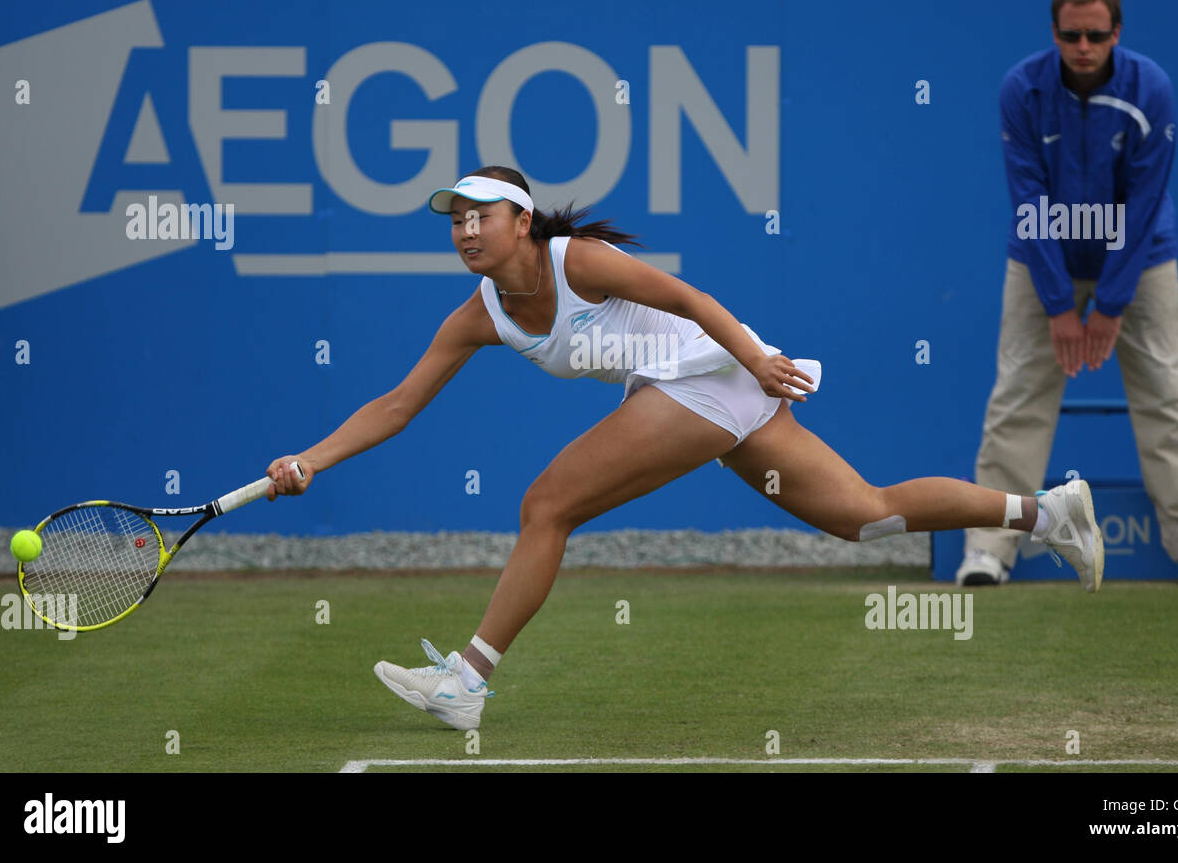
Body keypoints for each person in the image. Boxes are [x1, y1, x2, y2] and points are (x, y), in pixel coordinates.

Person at [266, 166, 1103, 731]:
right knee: (867, 518)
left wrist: (757, 361)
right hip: (696, 390)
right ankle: (1048, 513)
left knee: (545, 505)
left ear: (522, 221)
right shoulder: (479, 314)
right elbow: (398, 405)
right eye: (456, 221)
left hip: (710, 374)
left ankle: (469, 680)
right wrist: (312, 459)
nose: (464, 232)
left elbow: (691, 298)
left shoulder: (578, 261)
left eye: (479, 217)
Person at [957, 0, 1178, 589]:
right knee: (1018, 394)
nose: (1084, 46)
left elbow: (1144, 201)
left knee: (1166, 389)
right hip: (1040, 256)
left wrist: (1108, 303)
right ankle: (989, 550)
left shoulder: (1150, 88)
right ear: (1054, 34)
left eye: (1096, 35)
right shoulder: (1021, 90)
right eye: (1071, 35)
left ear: (1117, 33)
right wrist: (1058, 304)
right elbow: (1028, 197)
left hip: (1140, 256)